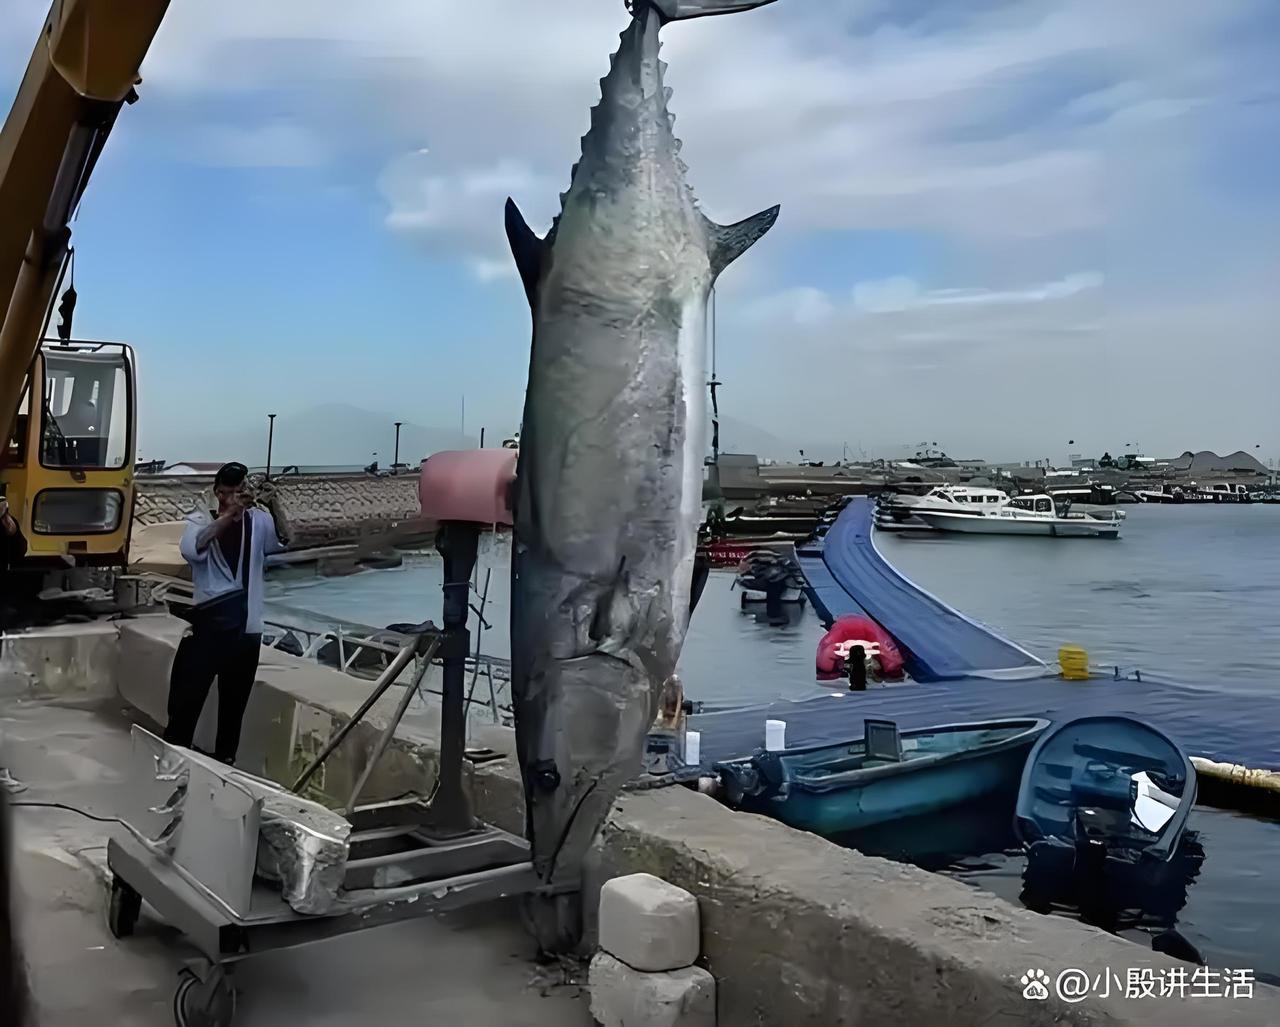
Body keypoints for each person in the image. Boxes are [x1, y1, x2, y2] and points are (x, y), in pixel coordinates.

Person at [163, 462, 286, 764]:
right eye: (230, 492)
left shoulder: (259, 521)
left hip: (246, 630)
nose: (237, 497)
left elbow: (284, 542)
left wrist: (275, 505)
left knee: (233, 710)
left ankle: (224, 766)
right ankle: (173, 761)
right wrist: (230, 515)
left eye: (241, 490)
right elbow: (194, 549)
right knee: (185, 704)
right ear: (218, 493)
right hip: (209, 628)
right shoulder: (198, 520)